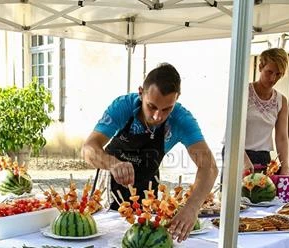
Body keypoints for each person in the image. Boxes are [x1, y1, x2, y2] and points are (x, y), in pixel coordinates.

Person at [82, 63, 218, 242]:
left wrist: (192, 207)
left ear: (177, 99)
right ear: (141, 92)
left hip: (147, 193)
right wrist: (113, 163)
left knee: (142, 241)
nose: (157, 117)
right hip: (108, 192)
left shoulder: (182, 119)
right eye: (151, 106)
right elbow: (88, 149)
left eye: (166, 109)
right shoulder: (123, 106)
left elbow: (209, 167)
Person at [242, 48, 289, 176]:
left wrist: (285, 166)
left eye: (278, 74)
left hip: (263, 157)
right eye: (269, 72)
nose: (272, 78)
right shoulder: (242, 92)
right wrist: (243, 159)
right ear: (260, 67)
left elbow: (282, 137)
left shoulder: (281, 101)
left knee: (263, 195)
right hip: (237, 153)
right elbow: (232, 131)